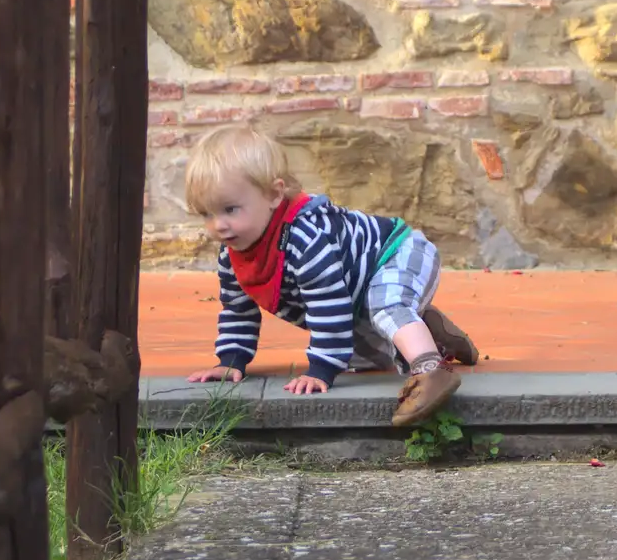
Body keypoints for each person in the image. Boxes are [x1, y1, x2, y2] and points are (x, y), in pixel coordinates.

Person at [182, 125, 478, 427]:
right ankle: (432, 333)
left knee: (386, 306)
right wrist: (232, 361)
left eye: (230, 209)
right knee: (367, 358)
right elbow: (238, 311)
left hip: (398, 252)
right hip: (357, 287)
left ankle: (431, 371)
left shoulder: (304, 239)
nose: (218, 225)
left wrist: (320, 369)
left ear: (273, 194)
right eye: (207, 213)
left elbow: (328, 306)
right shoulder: (232, 257)